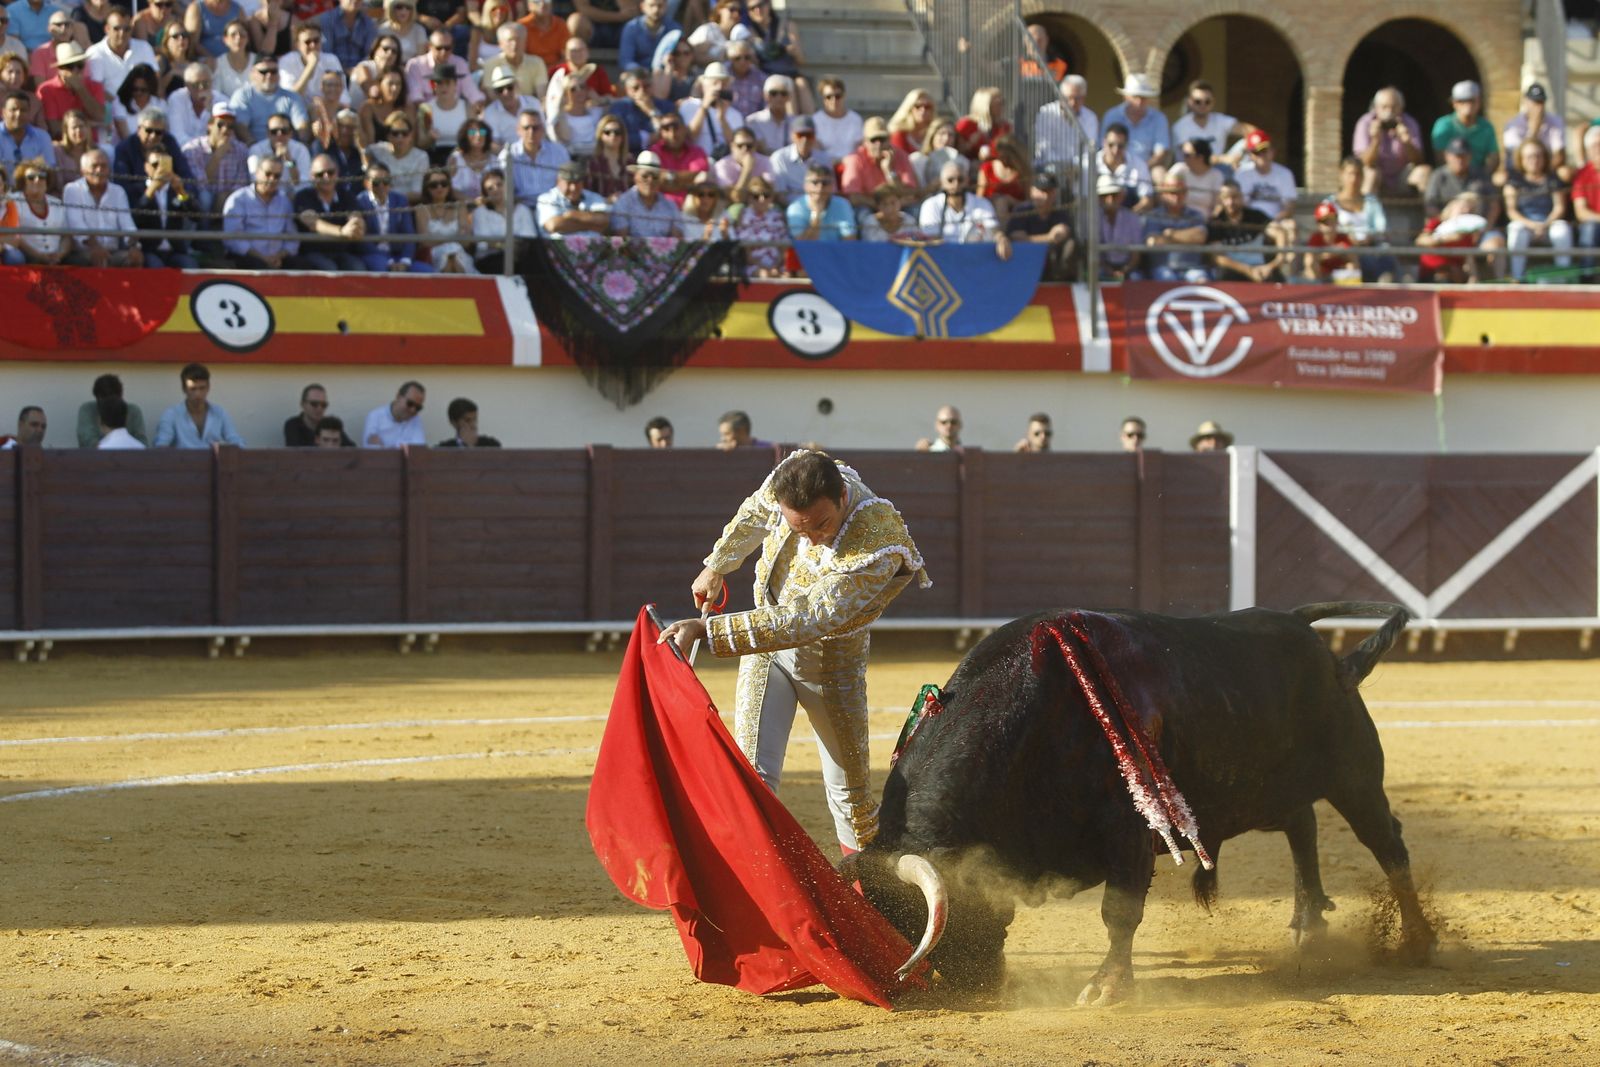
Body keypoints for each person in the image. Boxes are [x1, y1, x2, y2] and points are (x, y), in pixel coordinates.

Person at [655, 449, 930, 853]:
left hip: (832, 666)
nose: (814, 538)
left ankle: (870, 896)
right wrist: (717, 565)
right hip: (766, 649)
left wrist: (706, 629)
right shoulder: (792, 479)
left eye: (822, 525)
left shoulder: (880, 542)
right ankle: (756, 888)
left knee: (851, 798)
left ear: (841, 497)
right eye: (799, 529)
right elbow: (754, 513)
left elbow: (810, 619)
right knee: (752, 778)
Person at [1504, 138, 1572, 282]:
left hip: (1549, 223)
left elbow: (1559, 207)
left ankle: (1563, 276)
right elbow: (1512, 211)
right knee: (1516, 230)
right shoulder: (1514, 182)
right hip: (1525, 224)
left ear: (1544, 158)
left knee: (1562, 230)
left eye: (1538, 155)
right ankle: (1518, 277)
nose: (1534, 160)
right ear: (1521, 159)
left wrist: (1545, 224)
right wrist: (1532, 225)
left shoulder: (1553, 180)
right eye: (1529, 156)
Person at [63, 147, 143, 267]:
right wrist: (95, 247)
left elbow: (127, 224)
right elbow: (76, 225)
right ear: (83, 171)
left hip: (113, 252)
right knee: (95, 258)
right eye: (94, 166)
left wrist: (134, 247)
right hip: (82, 252)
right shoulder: (72, 189)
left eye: (103, 166)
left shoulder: (118, 191)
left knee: (134, 258)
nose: (99, 170)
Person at [222, 155, 305, 268]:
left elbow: (292, 237)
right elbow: (233, 238)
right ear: (257, 173)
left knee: (303, 266)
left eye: (277, 176)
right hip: (248, 258)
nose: (272, 179)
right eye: (268, 174)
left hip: (279, 258)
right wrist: (262, 258)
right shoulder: (238, 199)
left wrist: (279, 256)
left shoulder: (284, 201)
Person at [354, 161, 435, 272]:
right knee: (381, 267)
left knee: (428, 271)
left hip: (398, 255)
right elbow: (362, 241)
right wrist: (389, 262)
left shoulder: (400, 200)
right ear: (366, 183)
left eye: (386, 181)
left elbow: (409, 234)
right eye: (376, 182)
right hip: (373, 255)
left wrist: (404, 261)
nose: (381, 186)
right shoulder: (359, 202)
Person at [294, 151, 366, 270]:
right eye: (320, 174)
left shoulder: (345, 195)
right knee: (329, 269)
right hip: (314, 252)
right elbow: (313, 223)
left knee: (357, 267)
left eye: (330, 172)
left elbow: (355, 215)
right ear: (312, 176)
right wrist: (342, 231)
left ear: (337, 174)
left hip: (342, 252)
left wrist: (357, 225)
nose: (326, 177)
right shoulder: (303, 196)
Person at [131, 146, 200, 268]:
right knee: (155, 266)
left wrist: (181, 191)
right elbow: (134, 219)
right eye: (155, 164)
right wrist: (151, 191)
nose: (160, 169)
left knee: (190, 265)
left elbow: (196, 216)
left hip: (174, 250)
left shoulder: (176, 190)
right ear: (146, 167)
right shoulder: (137, 190)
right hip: (149, 250)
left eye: (165, 165)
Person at [1207, 177, 1286, 283]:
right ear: (1221, 199)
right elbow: (1218, 258)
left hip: (1261, 268)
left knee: (1277, 279)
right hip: (1235, 269)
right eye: (1226, 198)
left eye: (1234, 197)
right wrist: (1248, 270)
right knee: (1223, 275)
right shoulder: (1216, 222)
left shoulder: (1256, 216)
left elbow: (1278, 231)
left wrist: (1276, 262)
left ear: (1242, 197)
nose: (1230, 202)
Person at [1352, 86, 1428, 197]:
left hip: (1402, 178)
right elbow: (1364, 163)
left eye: (1394, 107)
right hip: (1378, 178)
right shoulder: (1365, 123)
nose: (1389, 112)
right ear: (1376, 108)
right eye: (1384, 107)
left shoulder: (1409, 123)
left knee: (1424, 171)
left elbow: (1419, 161)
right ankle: (1367, 212)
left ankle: (1429, 212)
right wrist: (1375, 140)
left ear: (1401, 108)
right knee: (1370, 173)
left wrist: (1407, 142)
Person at [153, 363, 245, 448]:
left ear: (208, 388)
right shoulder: (171, 415)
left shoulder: (220, 413)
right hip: (181, 463)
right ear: (184, 389)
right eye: (193, 389)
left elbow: (236, 441)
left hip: (213, 464)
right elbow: (161, 446)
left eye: (202, 388)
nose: (198, 394)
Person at [918, 160, 1003, 248]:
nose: (956, 184)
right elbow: (930, 240)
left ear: (967, 181)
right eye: (950, 180)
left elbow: (994, 231)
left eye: (960, 179)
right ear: (942, 183)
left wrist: (1001, 239)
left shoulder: (982, 203)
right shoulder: (930, 205)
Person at [1005, 171, 1074, 279]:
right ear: (1032, 191)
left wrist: (1029, 238)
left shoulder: (1060, 212)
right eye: (1041, 191)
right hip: (1025, 265)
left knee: (1070, 245)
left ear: (1055, 193)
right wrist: (1048, 238)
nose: (1045, 196)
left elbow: (1061, 233)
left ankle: (1060, 282)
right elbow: (1016, 237)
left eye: (1049, 191)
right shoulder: (1022, 210)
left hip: (1052, 266)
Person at [1234, 129, 1296, 245]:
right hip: (1249, 221)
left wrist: (1272, 221)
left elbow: (1289, 207)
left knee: (1291, 227)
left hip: (1276, 220)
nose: (1261, 156)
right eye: (1256, 152)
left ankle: (1288, 262)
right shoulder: (1242, 174)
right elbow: (1238, 205)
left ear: (1272, 151)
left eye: (1264, 151)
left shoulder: (1285, 174)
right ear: (1250, 155)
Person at [838, 114, 916, 207]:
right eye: (873, 140)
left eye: (882, 139)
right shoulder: (855, 159)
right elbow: (853, 197)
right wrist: (882, 207)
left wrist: (889, 171)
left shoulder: (901, 155)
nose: (878, 144)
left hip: (897, 207)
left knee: (914, 209)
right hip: (868, 206)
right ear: (865, 142)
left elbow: (910, 193)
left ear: (889, 139)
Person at [500, 107, 570, 208]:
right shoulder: (508, 155)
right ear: (518, 130)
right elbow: (504, 189)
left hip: (553, 205)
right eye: (526, 128)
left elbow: (566, 183)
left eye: (535, 128)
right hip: (521, 207)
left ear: (542, 129)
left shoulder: (559, 152)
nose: (531, 132)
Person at [1142, 175, 1209, 282]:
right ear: (1163, 194)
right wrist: (1187, 237)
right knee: (1167, 279)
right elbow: (1153, 242)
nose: (1176, 197)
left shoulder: (1195, 215)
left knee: (1202, 280)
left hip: (1191, 268)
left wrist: (1170, 234)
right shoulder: (1153, 216)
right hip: (1163, 268)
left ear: (1185, 193)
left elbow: (1200, 237)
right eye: (1172, 193)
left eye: (1180, 192)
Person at [1101, 73, 1169, 177]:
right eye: (1135, 96)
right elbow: (1104, 147)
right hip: (1115, 166)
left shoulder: (1159, 118)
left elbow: (1161, 152)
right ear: (1126, 97)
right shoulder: (1112, 115)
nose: (1139, 101)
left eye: (1143, 97)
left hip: (1148, 168)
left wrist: (1142, 169)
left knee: (1160, 173)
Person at [1169, 79, 1250, 164]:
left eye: (1207, 102)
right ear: (1189, 102)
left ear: (1213, 102)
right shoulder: (1180, 126)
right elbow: (1193, 157)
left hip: (1219, 169)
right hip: (1190, 171)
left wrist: (1240, 154)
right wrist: (1222, 159)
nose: (1202, 105)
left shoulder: (1220, 120)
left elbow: (1252, 132)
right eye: (1197, 102)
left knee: (1249, 142)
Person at [1430, 79, 1499, 178]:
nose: (1468, 105)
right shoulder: (1443, 125)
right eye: (1462, 101)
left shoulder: (1486, 127)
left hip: (1478, 176)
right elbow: (1440, 158)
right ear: (1454, 103)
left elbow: (1494, 157)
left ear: (1479, 102)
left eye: (1471, 100)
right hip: (1449, 176)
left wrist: (1483, 176)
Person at [1502, 82, 1566, 181]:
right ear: (1526, 102)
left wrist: (1541, 171)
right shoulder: (1513, 125)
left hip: (1546, 169)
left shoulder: (1555, 121)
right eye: (1535, 102)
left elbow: (1559, 155)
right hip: (1520, 170)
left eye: (1541, 102)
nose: (1539, 108)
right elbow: (1515, 157)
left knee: (1565, 173)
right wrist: (1534, 131)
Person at [1033, 74, 1096, 175]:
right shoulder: (1046, 113)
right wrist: (1064, 168)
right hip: (1050, 169)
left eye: (1077, 98)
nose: (1072, 103)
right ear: (1060, 96)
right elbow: (1044, 148)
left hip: (1079, 172)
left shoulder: (1090, 117)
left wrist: (1074, 167)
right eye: (1068, 98)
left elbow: (1089, 150)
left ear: (1083, 98)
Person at [536, 158, 609, 237]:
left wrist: (572, 215)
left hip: (593, 247)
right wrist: (591, 224)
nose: (573, 188)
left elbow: (604, 221)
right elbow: (553, 225)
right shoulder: (546, 198)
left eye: (577, 182)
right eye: (569, 183)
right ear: (558, 181)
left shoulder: (594, 197)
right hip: (559, 247)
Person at [731, 174, 786, 275]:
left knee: (788, 275)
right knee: (764, 274)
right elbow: (745, 252)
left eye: (766, 195)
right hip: (753, 264)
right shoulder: (743, 215)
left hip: (777, 263)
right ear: (749, 198)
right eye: (756, 196)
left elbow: (784, 247)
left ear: (771, 197)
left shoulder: (777, 215)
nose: (762, 199)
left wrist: (776, 265)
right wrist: (764, 268)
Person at [1095, 121, 1153, 213]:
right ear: (1103, 142)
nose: (1115, 150)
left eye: (1120, 146)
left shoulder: (1139, 165)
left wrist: (1128, 217)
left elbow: (1147, 199)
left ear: (1127, 145)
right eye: (1111, 145)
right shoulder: (1089, 163)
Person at [76, 373, 148, 448]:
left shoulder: (133, 411)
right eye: (105, 403)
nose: (110, 406)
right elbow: (87, 440)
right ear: (97, 398)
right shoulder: (88, 410)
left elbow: (142, 442)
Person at [786, 163, 853, 240]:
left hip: (837, 251)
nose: (820, 187)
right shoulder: (795, 208)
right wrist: (816, 215)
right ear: (805, 186)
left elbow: (849, 240)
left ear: (832, 186)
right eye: (815, 182)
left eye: (825, 183)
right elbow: (803, 245)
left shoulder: (843, 204)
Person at [810, 76, 861, 166]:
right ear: (823, 99)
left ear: (844, 96)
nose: (833, 100)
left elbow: (859, 148)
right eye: (828, 97)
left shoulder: (855, 119)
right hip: (825, 166)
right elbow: (816, 151)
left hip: (850, 166)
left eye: (837, 96)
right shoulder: (815, 120)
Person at [617, 0, 677, 73]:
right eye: (651, 5)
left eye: (660, 6)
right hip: (639, 75)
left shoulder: (674, 29)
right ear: (642, 7)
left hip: (666, 74)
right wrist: (642, 71)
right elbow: (626, 61)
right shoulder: (632, 28)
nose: (656, 10)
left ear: (666, 6)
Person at [284, 383, 353, 446]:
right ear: (303, 405)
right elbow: (296, 453)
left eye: (323, 405)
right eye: (314, 404)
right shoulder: (293, 425)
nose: (319, 409)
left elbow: (352, 450)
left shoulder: (330, 424)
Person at [1303, 201, 1356, 282]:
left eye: (1332, 220)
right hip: (1322, 274)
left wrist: (1341, 253)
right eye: (1325, 222)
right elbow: (1309, 259)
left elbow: (1353, 258)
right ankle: (1315, 287)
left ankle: (1352, 291)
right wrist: (1326, 255)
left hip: (1339, 275)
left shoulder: (1343, 237)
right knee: (1311, 263)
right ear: (1319, 225)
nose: (1330, 224)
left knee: (1351, 265)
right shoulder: (1315, 238)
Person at [363, 380, 426, 448]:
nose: (413, 410)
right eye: (410, 403)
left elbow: (418, 450)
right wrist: (404, 447)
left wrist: (385, 447)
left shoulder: (415, 419)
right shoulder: (375, 417)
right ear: (398, 396)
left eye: (418, 407)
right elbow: (371, 450)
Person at [436, 397, 502, 447]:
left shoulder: (491, 445)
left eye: (475, 419)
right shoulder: (444, 449)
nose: (473, 424)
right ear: (453, 423)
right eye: (467, 420)